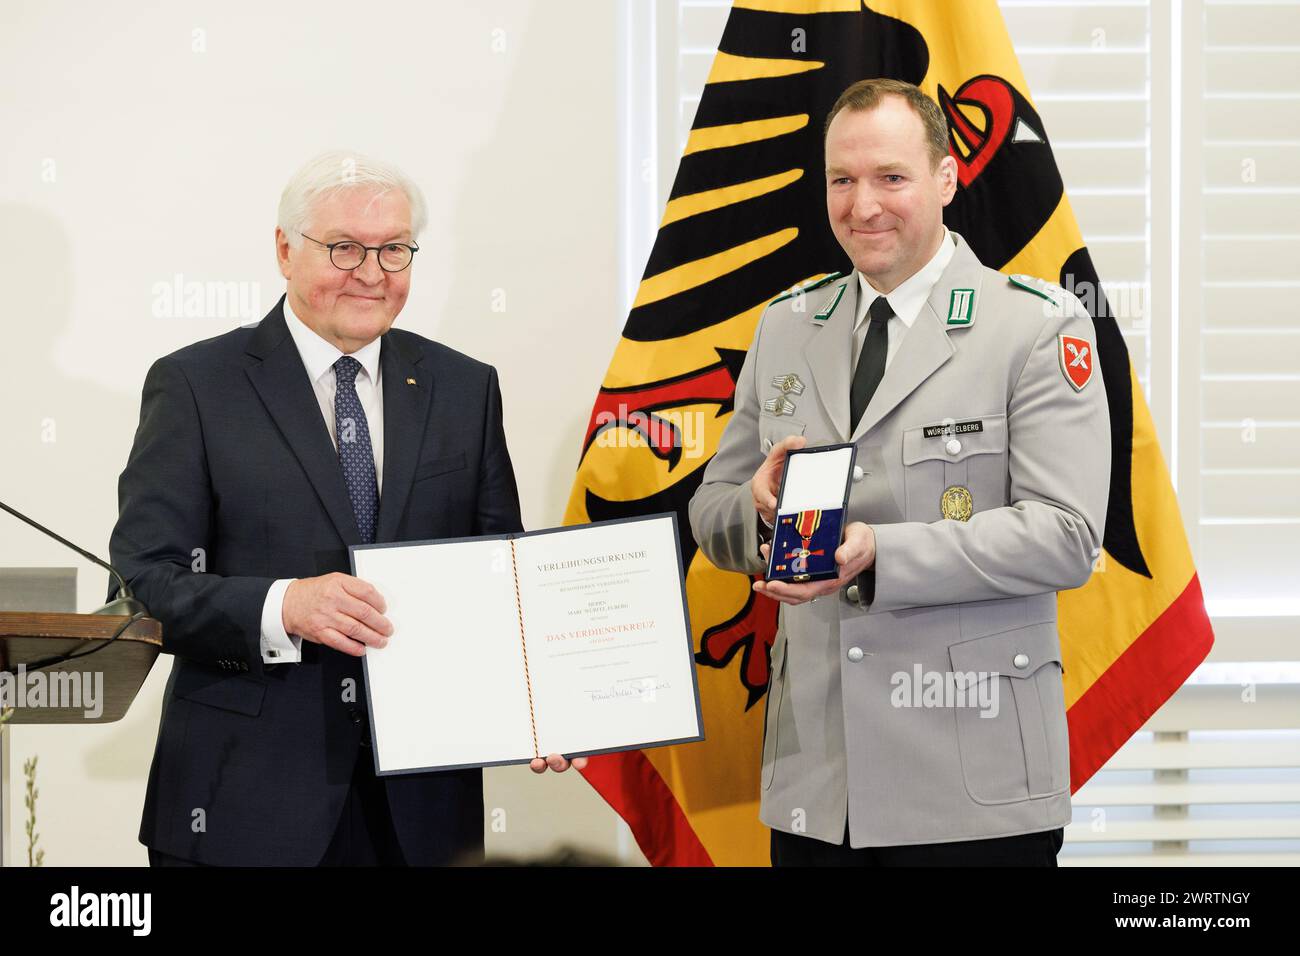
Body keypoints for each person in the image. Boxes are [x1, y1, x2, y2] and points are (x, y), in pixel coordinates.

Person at [110, 151, 583, 867]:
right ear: (283, 250)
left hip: (423, 813)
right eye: (344, 248)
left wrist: (536, 700)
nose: (372, 272)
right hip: (243, 805)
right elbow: (144, 580)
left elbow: (499, 578)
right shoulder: (197, 385)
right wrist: (282, 606)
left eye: (394, 249)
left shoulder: (463, 387)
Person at [688, 79, 1110, 866]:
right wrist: (755, 509)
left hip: (971, 793)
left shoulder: (1035, 324)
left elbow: (1067, 536)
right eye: (841, 181)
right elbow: (712, 512)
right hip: (820, 788)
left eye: (891, 177)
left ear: (946, 179)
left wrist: (883, 552)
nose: (862, 206)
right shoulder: (785, 325)